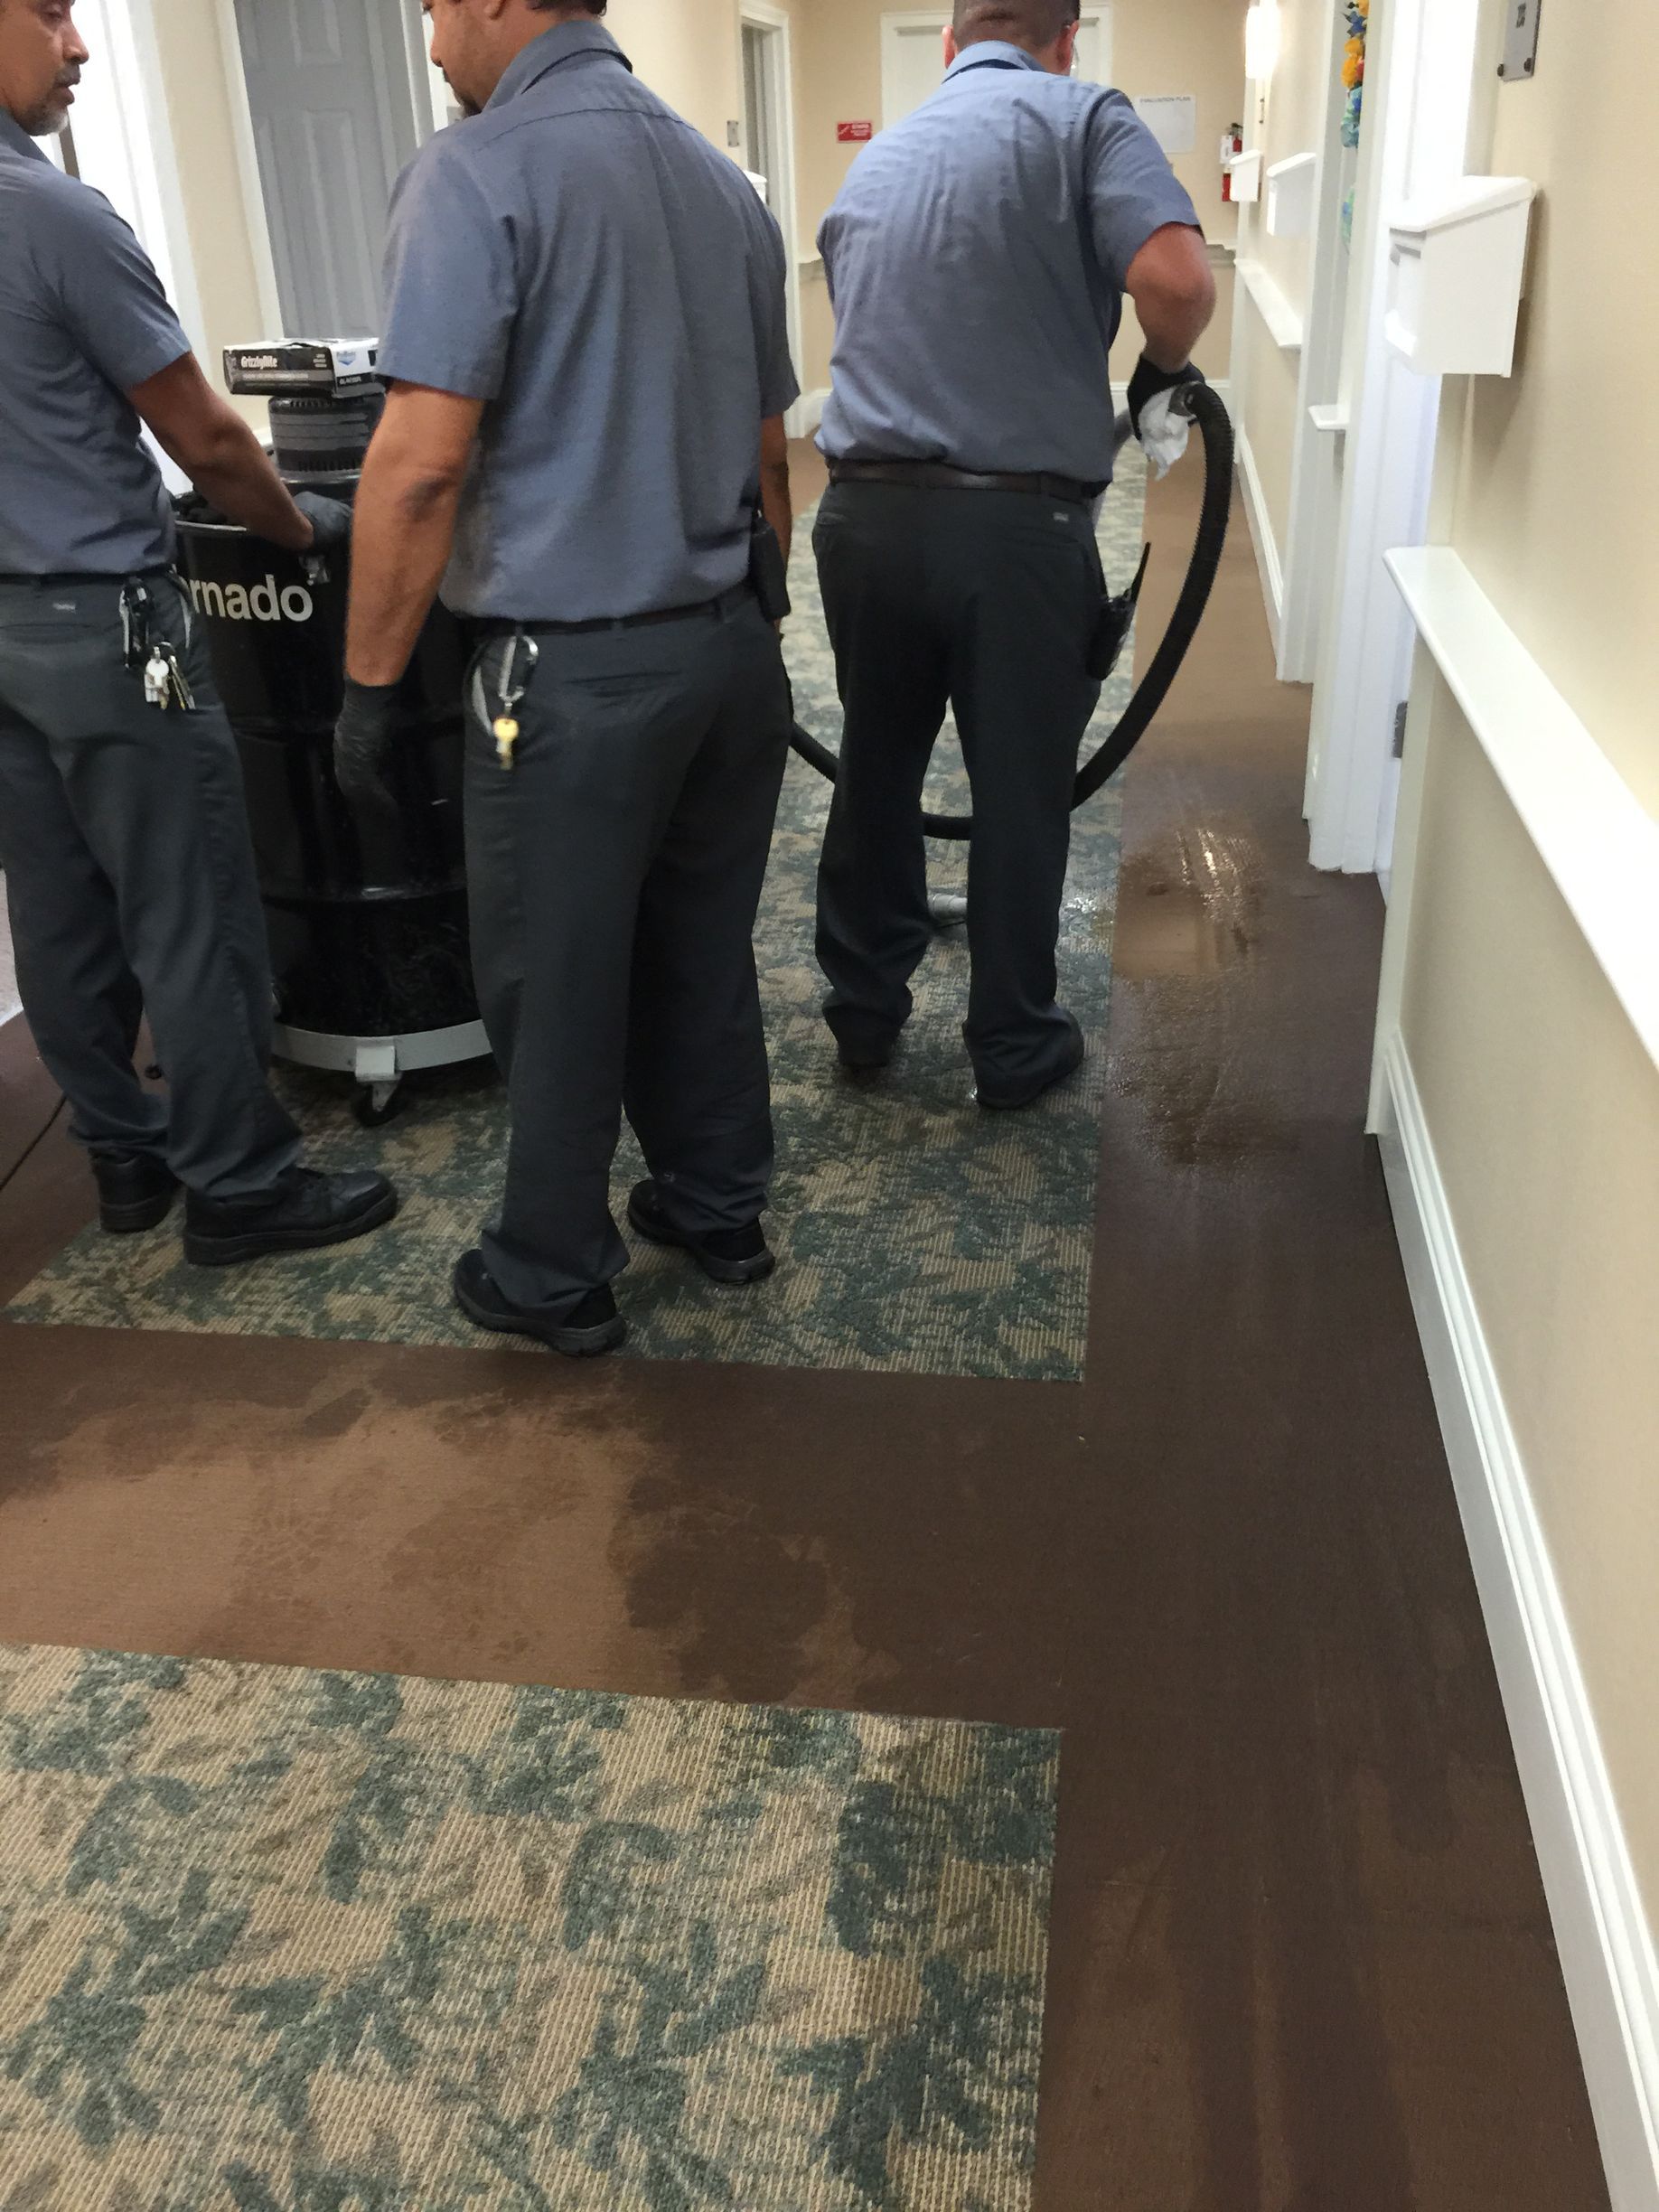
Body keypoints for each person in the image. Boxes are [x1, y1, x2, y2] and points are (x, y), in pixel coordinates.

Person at [333, 0, 797, 1358]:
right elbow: (771, 450)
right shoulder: (725, 184)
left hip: (568, 684)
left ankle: (549, 1269)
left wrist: (368, 688)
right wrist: (749, 617)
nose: (428, 40)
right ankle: (717, 1209)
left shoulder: (476, 171)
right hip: (727, 653)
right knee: (699, 952)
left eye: (431, 9)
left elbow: (419, 461)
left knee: (553, 974)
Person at [0, 0, 398, 1262]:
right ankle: (241, 1186)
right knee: (191, 906)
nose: (79, 46)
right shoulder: (56, 215)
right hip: (109, 631)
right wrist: (303, 532)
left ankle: (126, 1162)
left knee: (58, 908)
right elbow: (207, 435)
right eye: (52, 13)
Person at [813, 0, 1215, 1108]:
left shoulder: (879, 158)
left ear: (951, 45)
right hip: (1015, 532)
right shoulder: (1085, 119)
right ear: (1065, 38)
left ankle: (862, 1014)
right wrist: (1155, 376)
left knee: (877, 767)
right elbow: (1178, 282)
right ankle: (1013, 1044)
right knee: (1021, 791)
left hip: (864, 518)